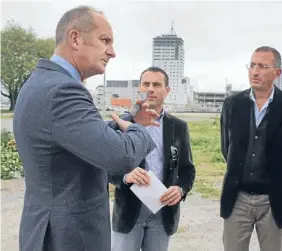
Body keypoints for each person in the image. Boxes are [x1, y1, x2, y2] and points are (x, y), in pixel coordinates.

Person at [13, 6, 159, 251]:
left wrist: (130, 118)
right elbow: (119, 157)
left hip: (50, 230)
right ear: (75, 38)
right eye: (105, 41)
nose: (112, 52)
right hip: (67, 237)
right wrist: (140, 131)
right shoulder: (63, 91)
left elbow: (79, 135)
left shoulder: (44, 82)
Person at [220, 46, 282, 251]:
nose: (255, 71)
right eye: (252, 65)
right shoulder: (232, 104)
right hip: (238, 197)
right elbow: (227, 147)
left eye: (262, 66)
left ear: (277, 72)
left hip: (274, 198)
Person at [109, 66, 196, 251]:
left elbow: (188, 169)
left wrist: (180, 189)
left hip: (162, 212)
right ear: (139, 88)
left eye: (157, 84)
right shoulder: (124, 123)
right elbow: (106, 166)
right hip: (129, 211)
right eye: (146, 84)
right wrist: (126, 177)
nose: (150, 89)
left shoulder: (178, 127)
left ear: (167, 90)